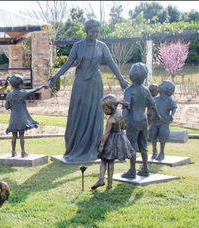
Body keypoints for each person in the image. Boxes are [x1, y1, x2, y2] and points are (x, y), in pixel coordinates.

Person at [49, 18, 129, 163]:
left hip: (95, 84)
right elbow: (68, 63)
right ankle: (75, 148)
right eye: (93, 31)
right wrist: (56, 76)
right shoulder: (78, 46)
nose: (95, 34)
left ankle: (94, 148)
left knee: (95, 114)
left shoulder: (102, 46)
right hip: (80, 84)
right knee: (78, 113)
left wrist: (121, 79)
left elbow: (111, 63)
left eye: (97, 31)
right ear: (87, 31)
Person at [121, 63, 157, 180]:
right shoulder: (145, 90)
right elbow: (152, 104)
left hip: (132, 121)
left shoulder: (128, 90)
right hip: (143, 121)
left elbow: (127, 107)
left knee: (132, 146)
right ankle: (145, 168)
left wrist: (122, 122)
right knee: (143, 145)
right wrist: (157, 115)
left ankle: (132, 170)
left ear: (131, 76)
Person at [91, 95, 134, 191]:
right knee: (111, 162)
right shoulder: (119, 114)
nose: (103, 111)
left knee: (103, 159)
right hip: (120, 139)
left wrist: (101, 145)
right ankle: (109, 183)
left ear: (111, 107)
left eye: (104, 109)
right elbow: (124, 127)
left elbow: (106, 133)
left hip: (110, 141)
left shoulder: (110, 120)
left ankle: (101, 179)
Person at [5, 75, 47, 158]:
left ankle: (13, 152)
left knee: (14, 136)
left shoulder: (9, 96)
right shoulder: (22, 94)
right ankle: (23, 152)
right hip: (21, 118)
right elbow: (33, 90)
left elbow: (7, 107)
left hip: (13, 118)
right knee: (21, 135)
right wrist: (42, 86)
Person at [149, 80, 177, 161]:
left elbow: (174, 107)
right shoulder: (156, 98)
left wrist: (172, 115)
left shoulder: (168, 99)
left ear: (166, 89)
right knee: (153, 135)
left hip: (164, 122)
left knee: (162, 136)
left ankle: (162, 153)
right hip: (154, 121)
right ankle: (154, 151)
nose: (159, 85)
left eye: (162, 85)